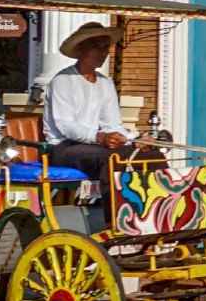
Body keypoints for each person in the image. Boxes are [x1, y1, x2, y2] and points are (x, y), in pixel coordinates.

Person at [44, 22, 159, 210]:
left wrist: (134, 139)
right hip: (63, 148)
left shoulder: (105, 83)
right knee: (113, 159)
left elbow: (112, 123)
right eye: (98, 47)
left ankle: (155, 209)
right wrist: (99, 137)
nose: (104, 53)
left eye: (106, 47)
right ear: (82, 49)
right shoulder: (62, 80)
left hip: (93, 145)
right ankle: (114, 215)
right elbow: (66, 125)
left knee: (152, 154)